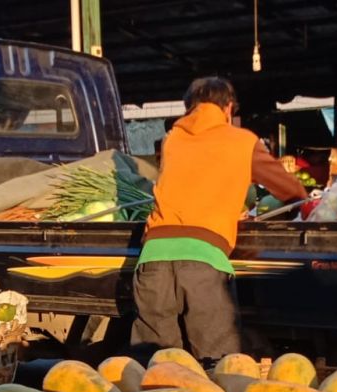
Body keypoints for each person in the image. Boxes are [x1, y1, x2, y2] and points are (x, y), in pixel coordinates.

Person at [131, 77, 307, 366]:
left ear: (189, 109)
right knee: (218, 365)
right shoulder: (242, 141)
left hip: (153, 259)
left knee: (156, 365)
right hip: (203, 262)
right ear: (228, 109)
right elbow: (292, 192)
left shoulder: (172, 139)